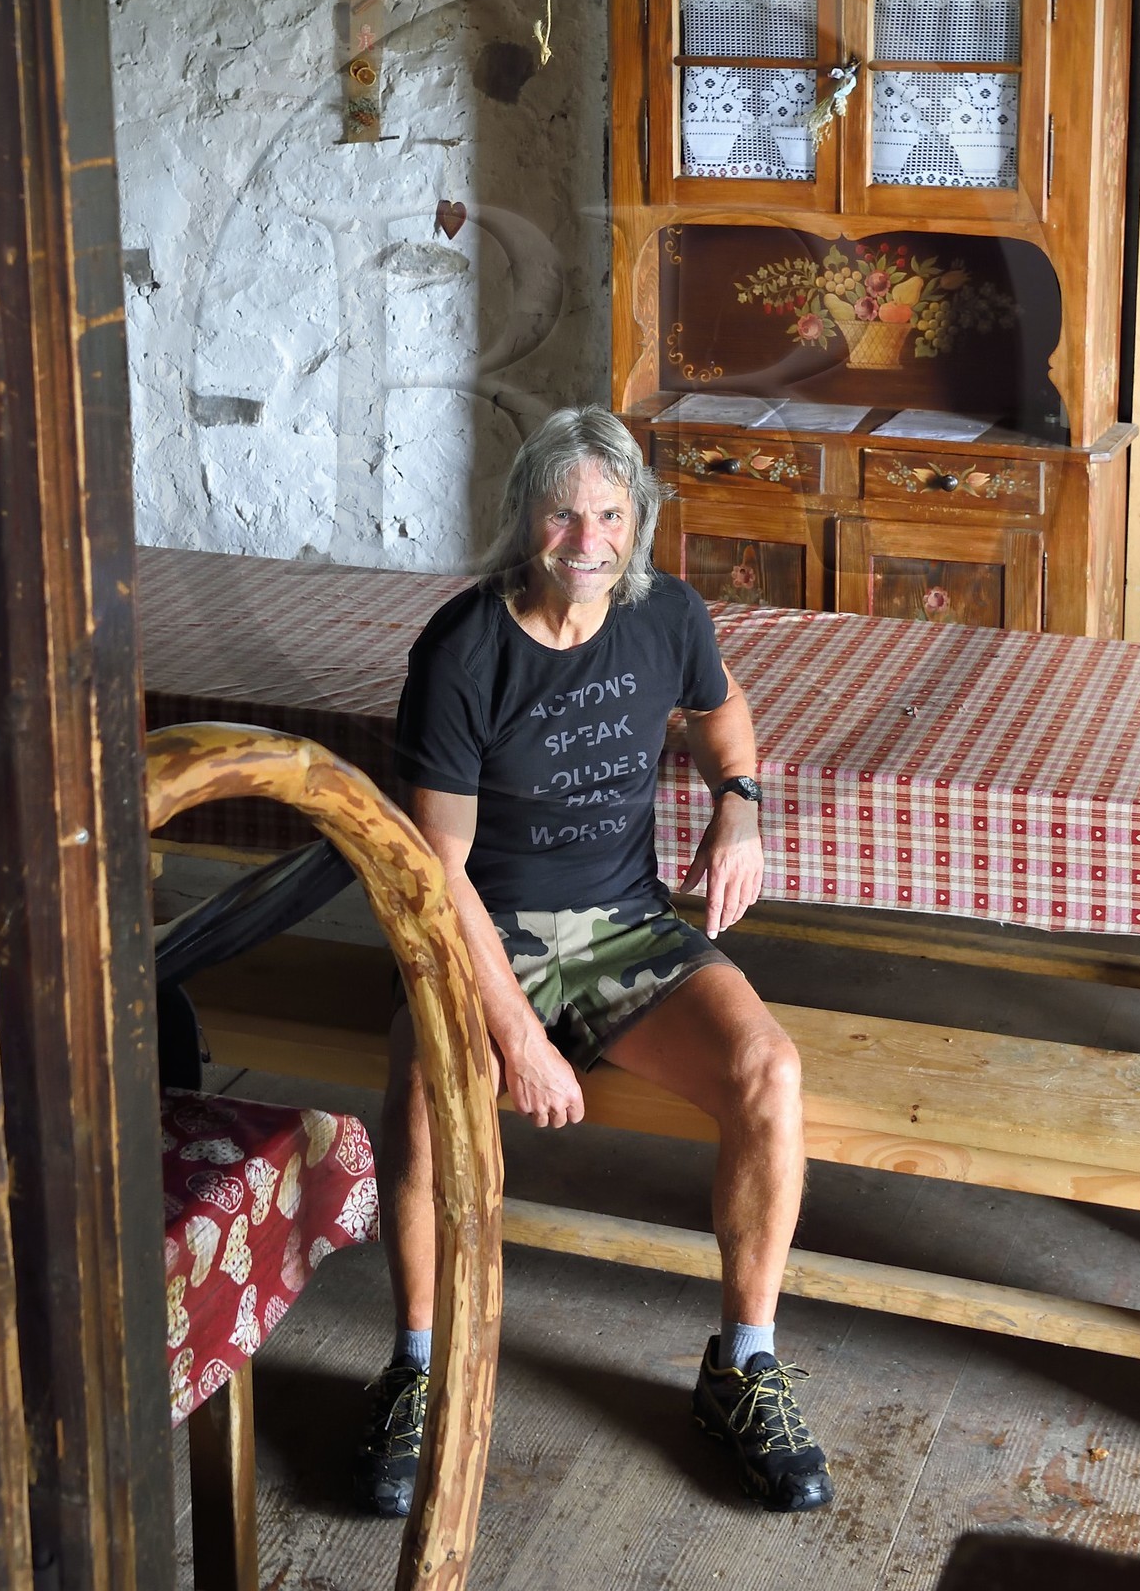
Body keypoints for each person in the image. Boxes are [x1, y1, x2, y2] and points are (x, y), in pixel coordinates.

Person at [357, 406, 832, 1516]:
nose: (588, 539)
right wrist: (516, 1033)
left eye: (611, 514)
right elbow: (437, 868)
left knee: (771, 1072)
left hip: (619, 929)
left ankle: (744, 1366)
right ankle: (417, 1368)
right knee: (428, 1092)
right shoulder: (463, 649)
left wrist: (740, 809)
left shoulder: (666, 615)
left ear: (639, 523)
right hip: (483, 932)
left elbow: (722, 716)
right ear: (526, 517)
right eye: (565, 514)